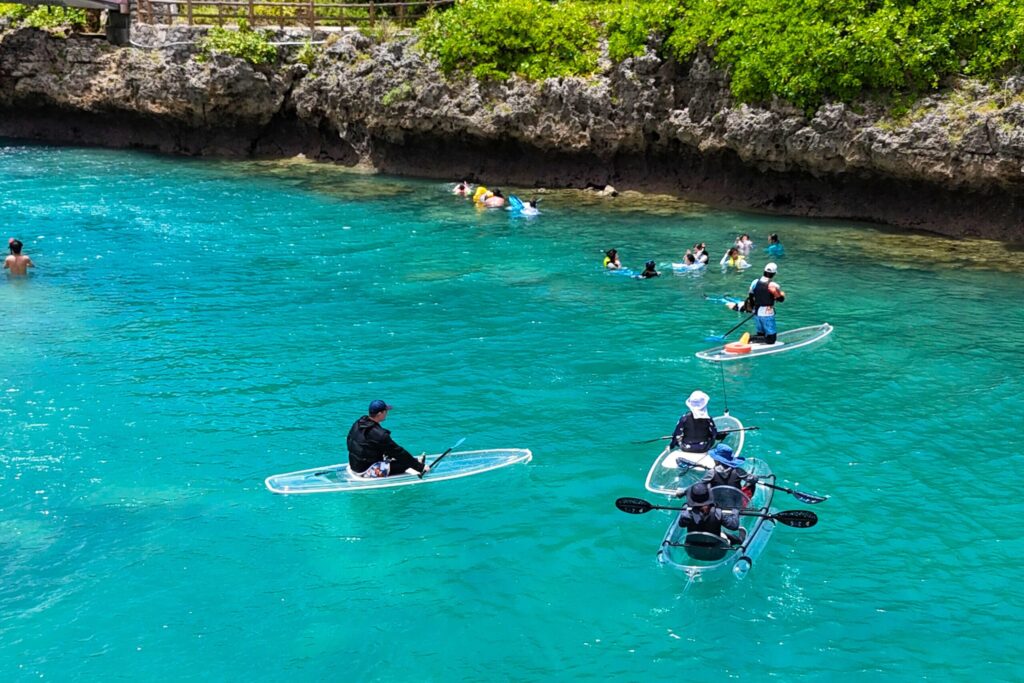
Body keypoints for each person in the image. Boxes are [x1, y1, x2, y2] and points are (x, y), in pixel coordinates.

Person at [346, 400, 427, 478]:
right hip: (366, 470)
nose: (387, 413)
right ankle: (417, 462)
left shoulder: (358, 423)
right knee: (405, 463)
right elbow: (399, 452)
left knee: (390, 453)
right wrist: (420, 467)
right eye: (386, 411)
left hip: (354, 464)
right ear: (379, 413)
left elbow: (351, 442)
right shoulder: (380, 435)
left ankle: (415, 461)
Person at [676, 481, 743, 545]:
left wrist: (685, 507)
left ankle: (737, 540)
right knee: (724, 535)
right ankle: (740, 540)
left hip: (692, 549)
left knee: (722, 534)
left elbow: (681, 524)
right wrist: (735, 511)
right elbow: (734, 526)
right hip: (714, 549)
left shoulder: (687, 514)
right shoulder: (718, 513)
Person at [745, 262, 785, 344]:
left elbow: (750, 296)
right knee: (771, 339)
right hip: (767, 313)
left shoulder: (755, 282)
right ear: (773, 274)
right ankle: (750, 338)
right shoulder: (773, 285)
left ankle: (756, 339)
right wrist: (782, 295)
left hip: (756, 312)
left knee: (761, 334)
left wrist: (753, 308)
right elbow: (781, 299)